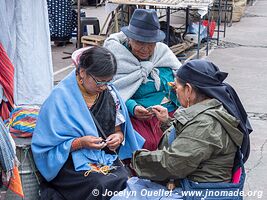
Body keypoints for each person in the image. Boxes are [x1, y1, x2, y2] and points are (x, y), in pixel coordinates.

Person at [111, 59, 252, 200]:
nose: (175, 92)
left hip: (196, 191)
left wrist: (135, 159)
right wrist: (167, 122)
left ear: (189, 90)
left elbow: (172, 164)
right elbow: (190, 140)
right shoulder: (210, 110)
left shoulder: (205, 124)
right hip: (192, 183)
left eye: (176, 87)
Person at [31, 46, 145, 200]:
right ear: (83, 72)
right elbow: (46, 146)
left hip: (102, 157)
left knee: (124, 179)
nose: (104, 86)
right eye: (99, 82)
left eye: (108, 81)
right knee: (99, 184)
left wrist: (118, 137)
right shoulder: (59, 99)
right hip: (68, 162)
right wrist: (80, 143)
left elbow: (117, 129)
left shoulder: (110, 93)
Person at [104, 9, 182, 151]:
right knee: (147, 144)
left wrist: (178, 86)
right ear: (129, 38)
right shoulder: (118, 57)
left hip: (170, 111)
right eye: (140, 42)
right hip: (138, 116)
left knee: (183, 140)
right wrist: (132, 107)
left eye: (151, 43)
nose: (145, 49)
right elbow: (112, 91)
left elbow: (180, 76)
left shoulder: (162, 52)